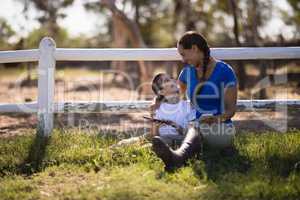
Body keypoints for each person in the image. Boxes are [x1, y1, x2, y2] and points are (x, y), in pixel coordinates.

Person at [151, 31, 238, 170]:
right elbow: (174, 95)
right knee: (167, 130)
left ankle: (178, 158)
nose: (183, 60)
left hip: (220, 128)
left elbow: (231, 111)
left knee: (194, 128)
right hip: (192, 126)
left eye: (183, 54)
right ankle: (130, 144)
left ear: (194, 49)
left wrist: (215, 118)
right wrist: (157, 101)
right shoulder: (187, 72)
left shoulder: (225, 71)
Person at [150, 73, 197, 146]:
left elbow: (192, 133)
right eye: (166, 80)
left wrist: (176, 126)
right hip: (164, 140)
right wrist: (156, 127)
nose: (172, 80)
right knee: (159, 142)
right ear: (161, 92)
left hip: (182, 140)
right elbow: (155, 136)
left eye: (171, 78)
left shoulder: (187, 106)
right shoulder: (158, 109)